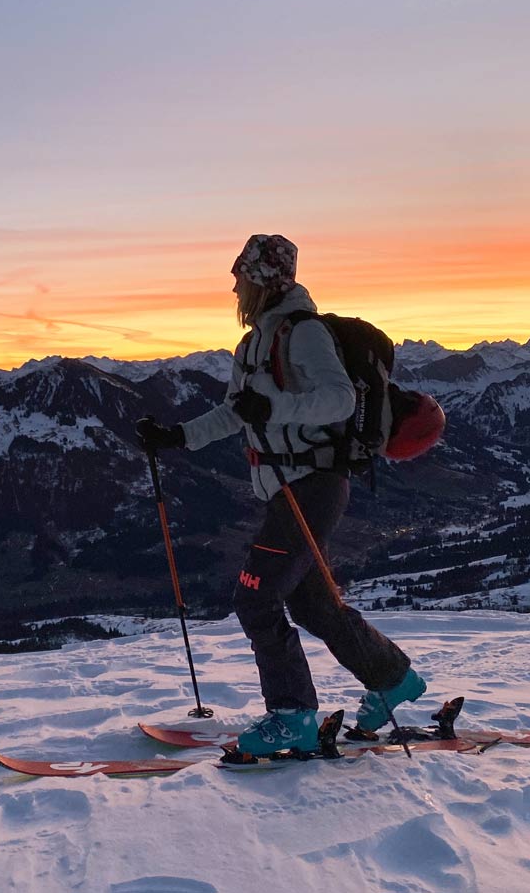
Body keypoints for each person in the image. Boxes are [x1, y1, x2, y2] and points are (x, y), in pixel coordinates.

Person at [135, 233, 425, 755]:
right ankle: (393, 679)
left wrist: (274, 410)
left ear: (264, 278)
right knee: (315, 606)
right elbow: (236, 412)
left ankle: (292, 715)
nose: (233, 282)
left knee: (255, 594)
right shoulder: (253, 345)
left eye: (240, 272)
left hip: (312, 485)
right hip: (289, 490)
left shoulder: (302, 334)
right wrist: (177, 436)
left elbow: (337, 400)